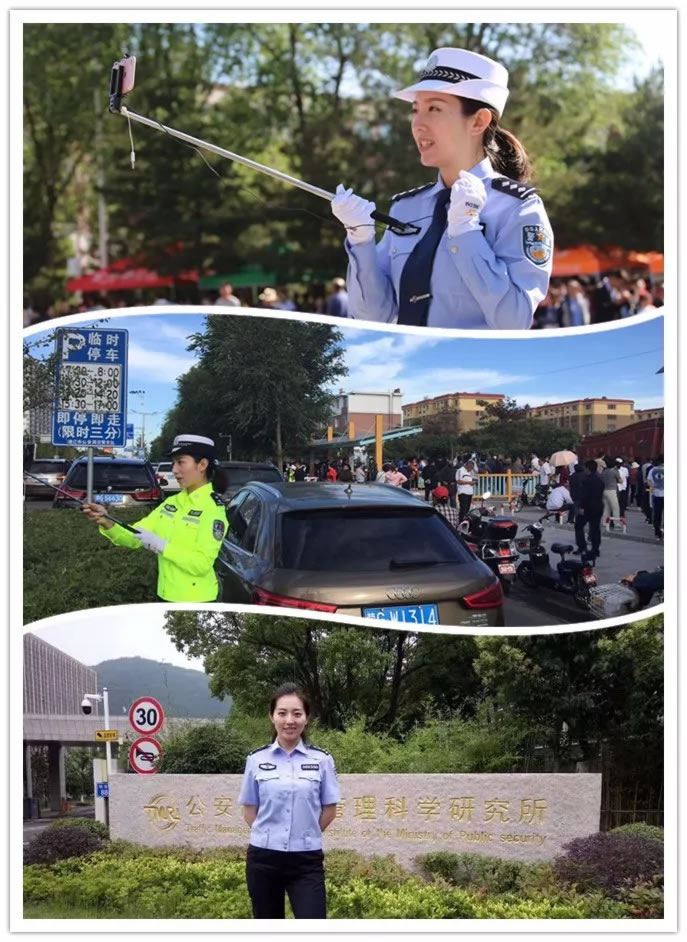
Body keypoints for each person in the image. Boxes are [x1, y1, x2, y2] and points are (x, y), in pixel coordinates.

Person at [330, 47, 553, 329]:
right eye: (415, 110)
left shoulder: (517, 208)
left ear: (479, 121)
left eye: (434, 109)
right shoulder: (406, 207)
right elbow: (373, 317)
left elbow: (514, 321)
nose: (418, 124)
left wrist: (467, 232)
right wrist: (361, 240)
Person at [81, 435, 229, 602]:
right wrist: (106, 520)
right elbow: (134, 536)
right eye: (174, 463)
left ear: (202, 465)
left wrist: (162, 546)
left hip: (197, 603)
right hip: (165, 596)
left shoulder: (213, 508)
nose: (174, 470)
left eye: (181, 462)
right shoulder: (172, 503)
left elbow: (201, 564)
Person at [238, 683, 340, 919]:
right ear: (271, 717)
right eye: (282, 713)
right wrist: (269, 835)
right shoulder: (256, 759)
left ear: (307, 718)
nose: (289, 720)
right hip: (263, 859)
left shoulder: (322, 760)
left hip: (306, 860)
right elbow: (250, 810)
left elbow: (329, 810)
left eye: (297, 713)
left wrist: (304, 834)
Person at [574, 460, 604, 558]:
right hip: (598, 506)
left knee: (578, 526)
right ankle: (595, 550)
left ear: (588, 468)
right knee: (595, 528)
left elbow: (585, 496)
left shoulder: (587, 480)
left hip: (588, 507)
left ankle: (582, 546)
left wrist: (582, 507)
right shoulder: (600, 479)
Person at [647, 455, 664, 540]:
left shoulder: (652, 470)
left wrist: (653, 488)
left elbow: (648, 481)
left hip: (656, 494)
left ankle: (658, 532)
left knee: (657, 514)